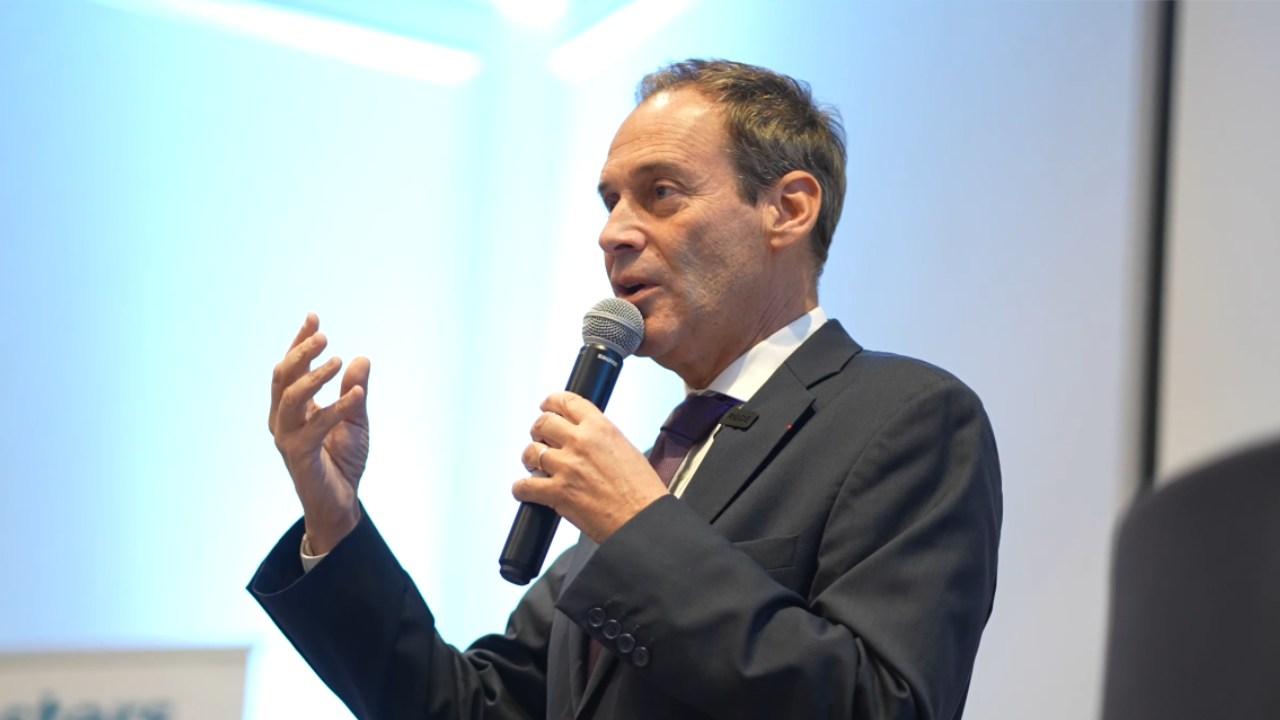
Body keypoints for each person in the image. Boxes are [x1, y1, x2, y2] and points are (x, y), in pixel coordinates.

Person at [250, 59, 1002, 720]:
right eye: (610, 200)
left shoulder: (907, 418)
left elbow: (881, 705)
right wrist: (333, 519)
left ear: (788, 209)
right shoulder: (655, 469)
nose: (613, 232)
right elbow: (474, 707)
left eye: (661, 192)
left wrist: (640, 527)